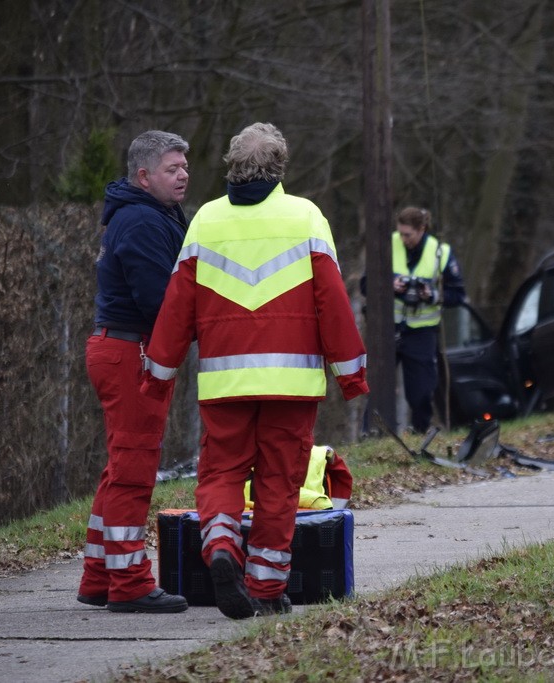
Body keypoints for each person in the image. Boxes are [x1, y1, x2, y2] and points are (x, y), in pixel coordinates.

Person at [140, 122, 369, 619]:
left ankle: (221, 547)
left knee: (221, 472)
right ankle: (266, 589)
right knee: (279, 481)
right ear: (280, 165)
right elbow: (332, 302)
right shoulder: (306, 217)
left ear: (232, 165)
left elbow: (177, 306)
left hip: (225, 383)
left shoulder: (204, 221)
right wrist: (352, 375)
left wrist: (157, 372)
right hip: (291, 383)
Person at [78, 130, 191, 613]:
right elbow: (158, 302)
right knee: (134, 470)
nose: (183, 174)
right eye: (172, 168)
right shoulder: (143, 221)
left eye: (185, 166)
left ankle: (99, 576)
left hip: (119, 350)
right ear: (144, 176)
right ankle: (130, 583)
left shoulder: (144, 214)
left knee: (120, 467)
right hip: (131, 354)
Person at [362, 206, 466, 433]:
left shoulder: (441, 252)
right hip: (388, 329)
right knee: (377, 389)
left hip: (422, 333)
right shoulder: (388, 244)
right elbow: (364, 284)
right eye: (400, 233)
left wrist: (431, 295)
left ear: (421, 229)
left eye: (407, 234)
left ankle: (420, 433)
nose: (403, 238)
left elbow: (458, 295)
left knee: (420, 393)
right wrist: (389, 284)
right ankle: (371, 433)